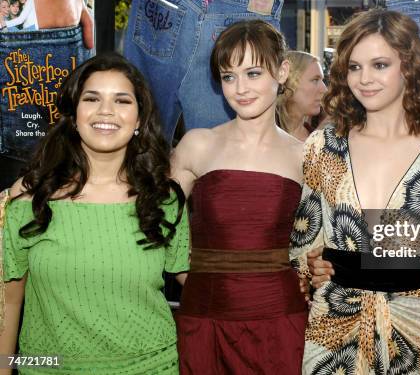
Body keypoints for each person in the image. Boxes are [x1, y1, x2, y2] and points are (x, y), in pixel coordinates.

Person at [289, 9, 420, 374]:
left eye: (379, 65)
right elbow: (304, 239)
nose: (364, 79)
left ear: (409, 67)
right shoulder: (323, 146)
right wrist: (311, 264)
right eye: (354, 67)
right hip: (335, 324)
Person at [0, 53, 189, 374]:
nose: (106, 111)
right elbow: (10, 302)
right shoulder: (31, 202)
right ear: (74, 115)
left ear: (140, 120)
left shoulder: (164, 200)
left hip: (151, 367)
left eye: (122, 101)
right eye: (92, 98)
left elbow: (199, 284)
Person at [172, 19, 309, 374]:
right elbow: (159, 226)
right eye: (229, 76)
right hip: (205, 320)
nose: (240, 88)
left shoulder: (305, 156)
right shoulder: (197, 144)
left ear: (281, 71)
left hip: (279, 324)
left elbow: (321, 242)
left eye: (253, 73)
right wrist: (201, 279)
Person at [276, 50, 327, 141]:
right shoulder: (264, 138)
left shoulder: (320, 138)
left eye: (322, 80)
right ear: (290, 83)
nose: (324, 89)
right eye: (315, 80)